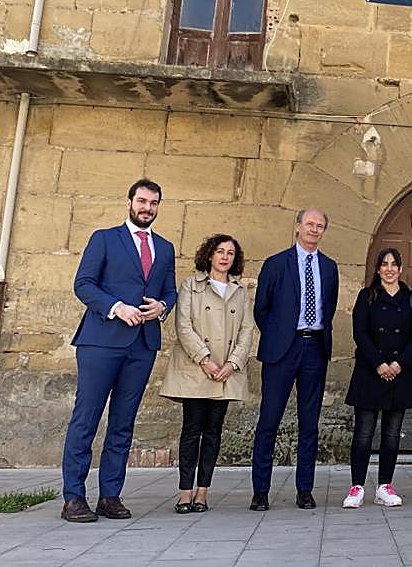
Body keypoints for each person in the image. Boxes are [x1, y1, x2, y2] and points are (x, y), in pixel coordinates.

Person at [60, 178, 177, 522]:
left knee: (123, 423)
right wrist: (116, 307)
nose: (147, 208)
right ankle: (73, 498)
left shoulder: (165, 248)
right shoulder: (105, 238)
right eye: (142, 201)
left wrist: (163, 307)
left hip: (142, 345)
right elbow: (83, 284)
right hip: (100, 342)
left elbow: (170, 291)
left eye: (153, 203)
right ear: (129, 203)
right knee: (87, 419)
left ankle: (110, 495)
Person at [250, 208, 339, 511]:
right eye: (310, 224)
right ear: (297, 227)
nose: (314, 229)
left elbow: (330, 307)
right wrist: (279, 336)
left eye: (320, 226)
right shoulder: (276, 264)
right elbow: (261, 308)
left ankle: (305, 489)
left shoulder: (329, 267)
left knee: (309, 423)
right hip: (281, 350)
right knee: (269, 421)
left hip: (315, 348)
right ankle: (260, 490)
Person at [159, 234, 255, 513]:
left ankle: (203, 492)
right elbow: (183, 325)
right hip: (196, 369)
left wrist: (232, 364)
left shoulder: (239, 290)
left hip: (225, 371)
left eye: (230, 253)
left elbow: (247, 331)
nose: (225, 257)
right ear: (209, 255)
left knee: (213, 432)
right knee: (191, 430)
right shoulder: (191, 285)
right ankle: (185, 492)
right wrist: (204, 359)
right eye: (220, 251)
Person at [342, 247, 412, 509]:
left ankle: (385, 486)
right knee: (363, 433)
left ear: (400, 269)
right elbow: (360, 332)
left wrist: (399, 363)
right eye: (384, 264)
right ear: (378, 269)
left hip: (400, 373)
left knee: (392, 434)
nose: (389, 269)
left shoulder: (411, 299)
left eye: (394, 264)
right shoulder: (367, 296)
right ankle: (357, 487)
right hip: (370, 371)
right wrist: (378, 363)